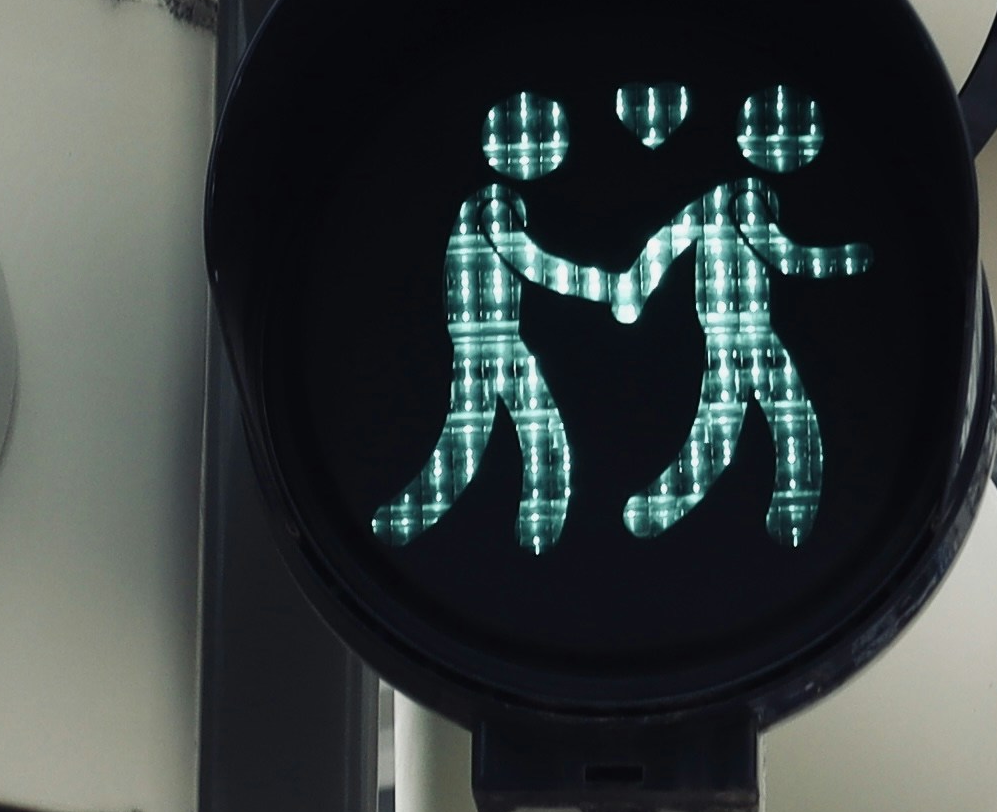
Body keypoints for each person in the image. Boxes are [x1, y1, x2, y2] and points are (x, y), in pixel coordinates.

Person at [369, 91, 631, 556]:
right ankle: (532, 535)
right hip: (489, 344)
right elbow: (533, 264)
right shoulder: (494, 206)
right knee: (518, 439)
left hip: (491, 342)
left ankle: (524, 533)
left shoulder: (494, 202)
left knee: (487, 442)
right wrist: (602, 286)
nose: (548, 150)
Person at [611, 82, 872, 545]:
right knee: (773, 422)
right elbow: (785, 256)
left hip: (730, 333)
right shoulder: (743, 197)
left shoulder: (718, 197)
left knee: (739, 424)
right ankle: (774, 512)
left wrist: (636, 286)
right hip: (744, 334)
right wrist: (845, 259)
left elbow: (668, 239)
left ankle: (665, 508)